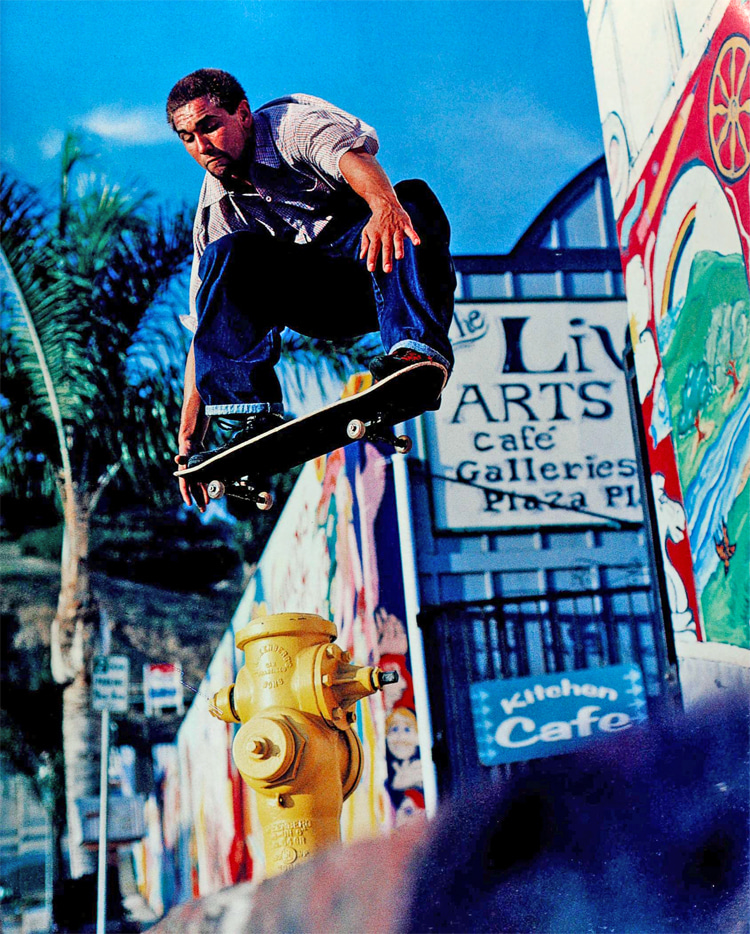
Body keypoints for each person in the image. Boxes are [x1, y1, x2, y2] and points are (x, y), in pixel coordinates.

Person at [166, 69, 456, 509]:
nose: (203, 147)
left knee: (410, 198)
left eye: (210, 126)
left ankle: (413, 352)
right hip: (321, 301)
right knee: (227, 255)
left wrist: (383, 207)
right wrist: (189, 438)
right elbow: (208, 330)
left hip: (383, 266)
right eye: (188, 137)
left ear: (242, 115)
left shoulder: (290, 125)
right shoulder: (216, 212)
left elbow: (355, 162)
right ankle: (249, 417)